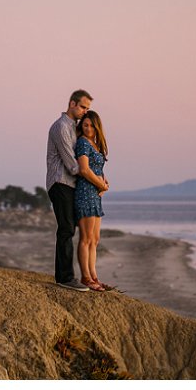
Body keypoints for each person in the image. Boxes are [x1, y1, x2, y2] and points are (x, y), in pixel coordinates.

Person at [47, 89, 93, 291]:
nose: (85, 111)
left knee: (70, 229)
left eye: (88, 108)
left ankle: (69, 276)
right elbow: (72, 165)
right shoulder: (61, 127)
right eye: (83, 106)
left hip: (71, 184)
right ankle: (65, 277)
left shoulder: (75, 129)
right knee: (66, 228)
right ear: (72, 104)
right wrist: (94, 180)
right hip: (60, 183)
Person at [74, 110, 112, 292]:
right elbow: (84, 169)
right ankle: (86, 277)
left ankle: (94, 276)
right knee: (86, 238)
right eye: (85, 125)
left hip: (95, 195)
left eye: (91, 125)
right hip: (85, 193)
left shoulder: (96, 145)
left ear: (97, 126)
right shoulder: (82, 142)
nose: (88, 128)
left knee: (95, 239)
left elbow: (97, 169)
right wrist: (101, 185)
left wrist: (104, 181)